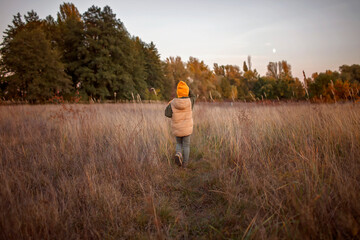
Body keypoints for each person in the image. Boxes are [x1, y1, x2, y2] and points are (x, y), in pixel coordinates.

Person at [165, 81, 196, 167]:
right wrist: (188, 89)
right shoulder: (190, 101)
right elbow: (194, 96)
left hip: (177, 128)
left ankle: (178, 154)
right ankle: (185, 165)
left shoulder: (173, 102)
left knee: (179, 144)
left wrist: (169, 104)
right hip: (187, 129)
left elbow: (167, 114)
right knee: (186, 145)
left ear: (178, 92)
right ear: (186, 91)